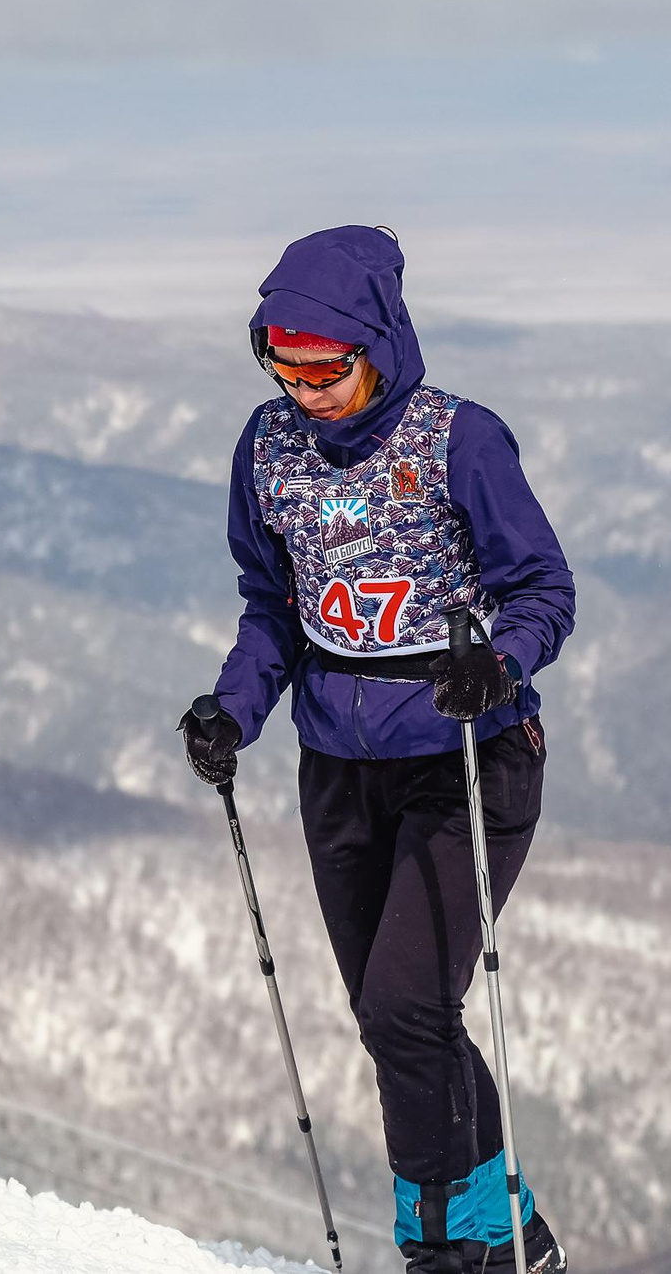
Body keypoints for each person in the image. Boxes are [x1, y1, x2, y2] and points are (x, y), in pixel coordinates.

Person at [181, 226, 576, 1274]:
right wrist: (232, 711)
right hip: (338, 769)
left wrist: (499, 663)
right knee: (392, 1020)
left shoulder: (460, 440)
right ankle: (508, 1233)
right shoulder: (264, 450)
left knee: (407, 1006)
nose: (304, 389)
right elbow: (271, 606)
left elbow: (544, 589)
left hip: (466, 758)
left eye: (326, 368)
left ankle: (447, 1253)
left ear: (380, 345)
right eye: (284, 364)